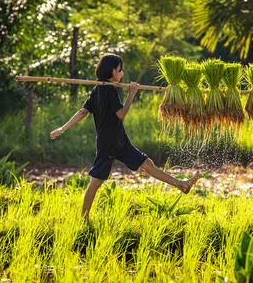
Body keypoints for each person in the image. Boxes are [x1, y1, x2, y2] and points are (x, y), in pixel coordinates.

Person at [50, 53, 200, 220]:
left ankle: (181, 185)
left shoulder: (97, 89)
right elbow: (120, 114)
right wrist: (131, 94)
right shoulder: (109, 90)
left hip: (119, 140)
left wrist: (61, 129)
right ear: (112, 71)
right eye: (120, 71)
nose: (122, 74)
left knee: (147, 164)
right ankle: (83, 220)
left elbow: (83, 111)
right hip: (108, 143)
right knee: (96, 181)